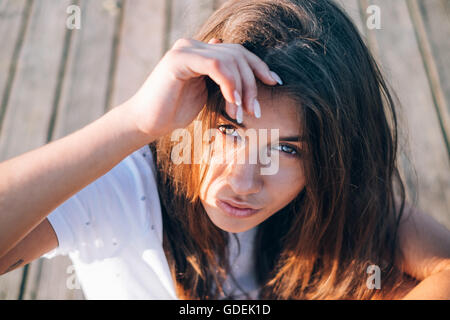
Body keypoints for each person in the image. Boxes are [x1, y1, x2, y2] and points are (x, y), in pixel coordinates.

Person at [0, 0, 449, 300]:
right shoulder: (123, 190)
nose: (241, 181)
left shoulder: (328, 196)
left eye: (287, 150)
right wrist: (134, 122)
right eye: (229, 132)